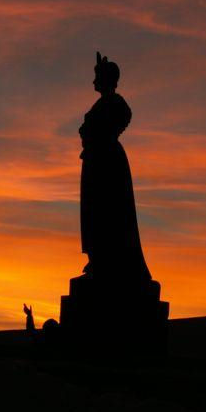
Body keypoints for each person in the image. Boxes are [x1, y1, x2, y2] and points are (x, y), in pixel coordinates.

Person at [79, 52, 151, 282]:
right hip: (95, 160)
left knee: (108, 209)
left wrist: (103, 134)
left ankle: (109, 261)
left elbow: (123, 117)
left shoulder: (116, 103)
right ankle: (98, 259)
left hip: (107, 160)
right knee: (94, 210)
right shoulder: (103, 103)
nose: (93, 82)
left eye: (97, 77)